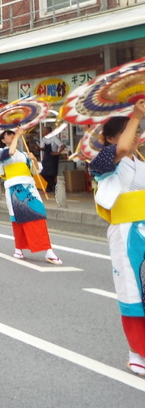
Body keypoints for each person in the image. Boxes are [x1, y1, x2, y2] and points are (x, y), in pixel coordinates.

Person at [88, 99, 145, 376]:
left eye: (135, 130)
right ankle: (136, 351)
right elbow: (122, 149)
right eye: (127, 131)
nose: (133, 136)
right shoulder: (103, 160)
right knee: (133, 290)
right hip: (125, 231)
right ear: (110, 138)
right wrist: (136, 114)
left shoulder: (140, 161)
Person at [0, 127, 61, 264]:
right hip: (14, 188)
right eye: (10, 135)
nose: (13, 137)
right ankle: (19, 247)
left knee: (38, 215)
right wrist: (18, 135)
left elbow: (35, 171)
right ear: (3, 140)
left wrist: (34, 159)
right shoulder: (1, 152)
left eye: (14, 135)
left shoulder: (24, 154)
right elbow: (11, 152)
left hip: (29, 187)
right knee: (18, 219)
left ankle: (47, 249)